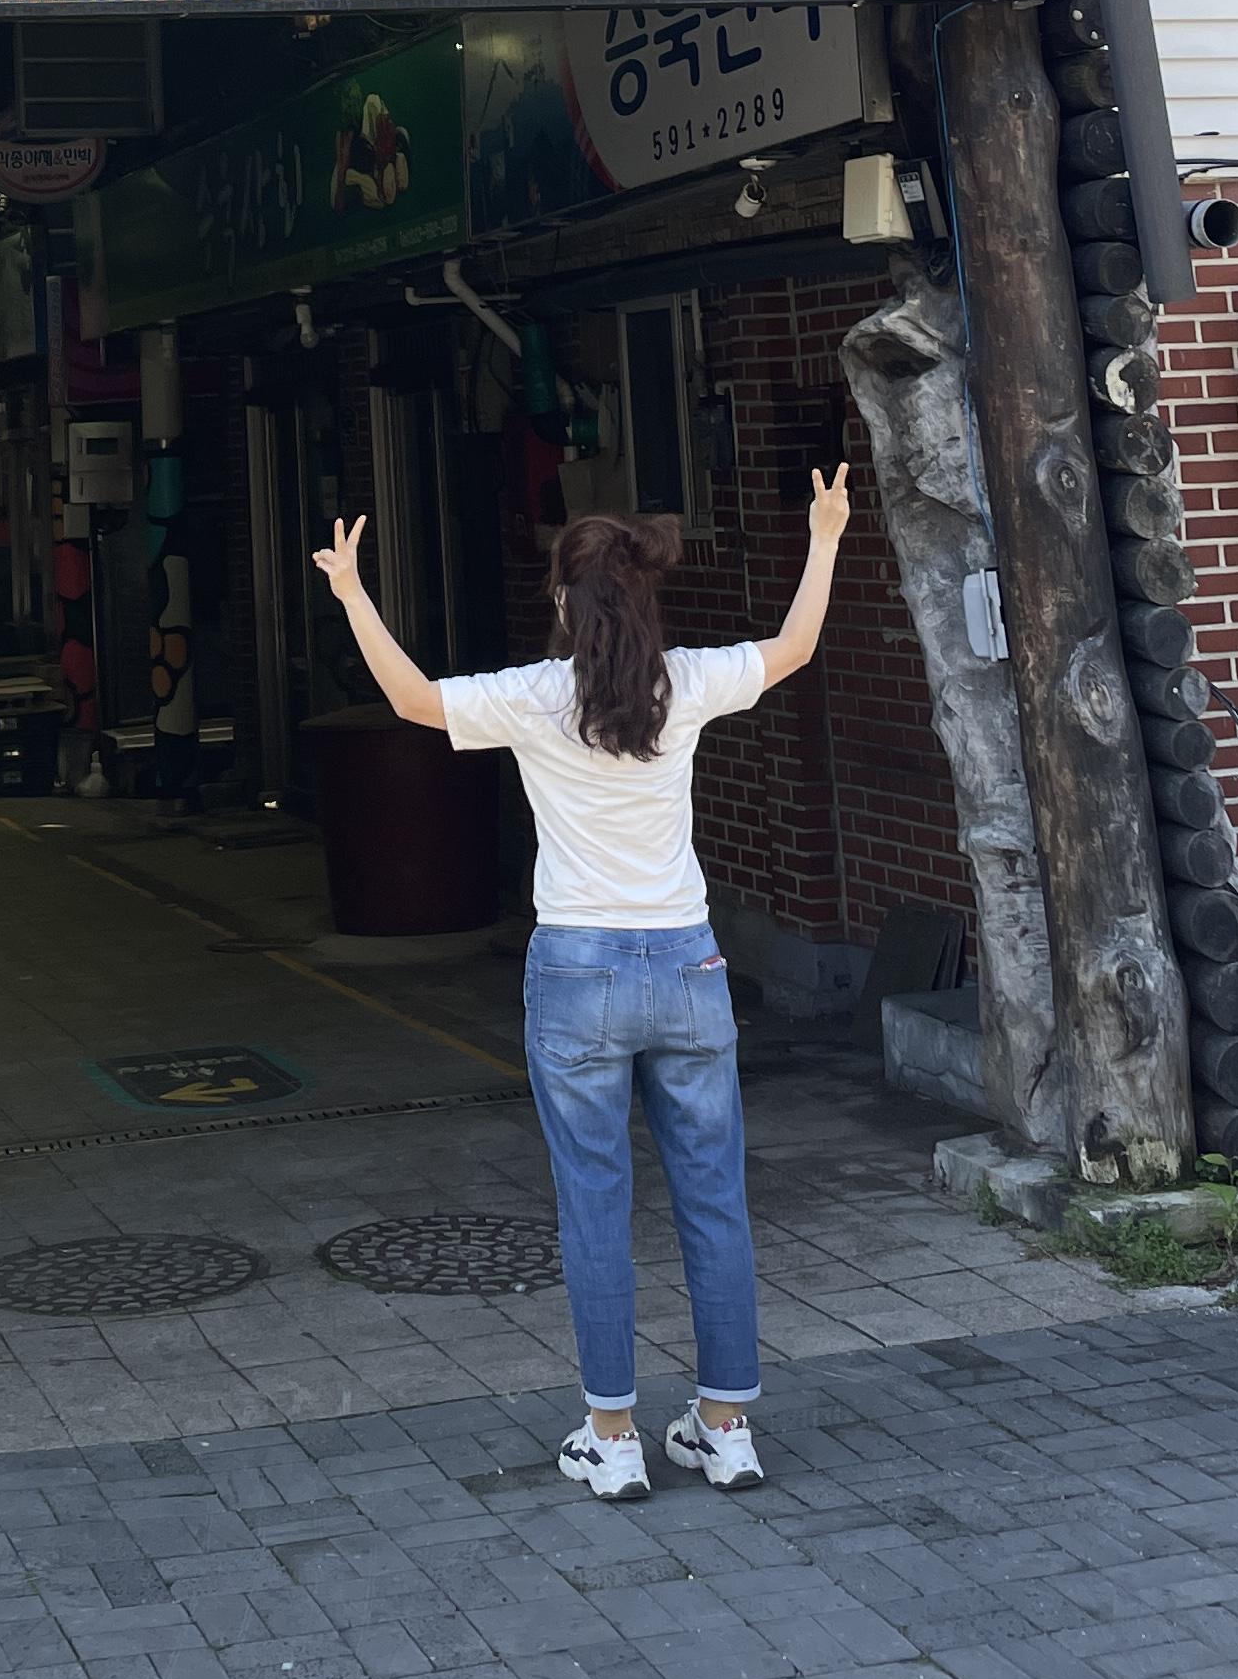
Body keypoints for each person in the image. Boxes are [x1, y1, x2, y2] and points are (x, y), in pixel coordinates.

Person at [311, 465, 853, 1500]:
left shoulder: (534, 696)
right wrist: (824, 536)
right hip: (687, 963)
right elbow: (793, 648)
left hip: (577, 972)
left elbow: (411, 700)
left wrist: (351, 590)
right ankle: (727, 1428)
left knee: (595, 1208)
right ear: (642, 599)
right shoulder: (682, 684)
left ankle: (613, 1438)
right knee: (716, 1201)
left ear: (563, 602)